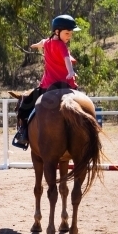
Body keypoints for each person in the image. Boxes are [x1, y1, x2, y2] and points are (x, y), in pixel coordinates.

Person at [12, 15, 80, 149]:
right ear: (57, 32)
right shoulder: (58, 45)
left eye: (71, 33)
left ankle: (24, 133)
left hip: (48, 86)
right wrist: (71, 72)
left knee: (25, 106)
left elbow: (63, 56)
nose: (69, 36)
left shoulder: (53, 44)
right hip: (68, 85)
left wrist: (71, 70)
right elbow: (62, 55)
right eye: (67, 33)